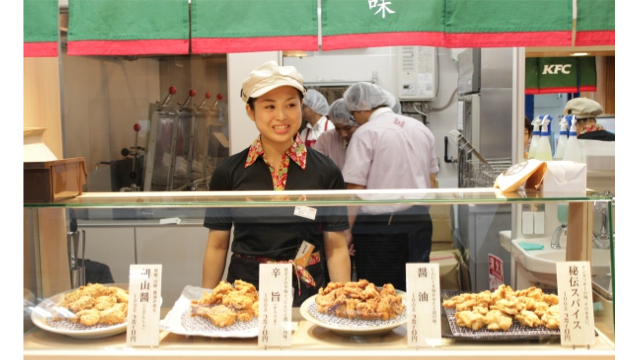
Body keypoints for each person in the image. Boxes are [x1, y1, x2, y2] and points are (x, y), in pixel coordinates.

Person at [201, 61, 351, 306]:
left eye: (290, 105)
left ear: (301, 108)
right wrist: (207, 300)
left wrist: (342, 302)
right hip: (245, 295)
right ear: (251, 112)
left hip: (307, 294)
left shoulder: (326, 170)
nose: (281, 116)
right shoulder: (229, 171)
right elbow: (218, 245)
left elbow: (335, 246)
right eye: (269, 106)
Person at [341, 82, 439, 291]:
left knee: (380, 293)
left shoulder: (366, 133)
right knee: (418, 288)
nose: (354, 119)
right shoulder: (420, 128)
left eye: (353, 114)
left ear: (363, 106)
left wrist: (347, 232)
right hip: (419, 220)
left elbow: (355, 189)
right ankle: (417, 324)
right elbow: (431, 180)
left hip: (380, 229)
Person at [313, 98, 359, 171]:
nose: (343, 134)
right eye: (337, 128)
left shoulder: (368, 140)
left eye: (348, 128)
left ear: (359, 123)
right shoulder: (326, 139)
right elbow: (315, 167)